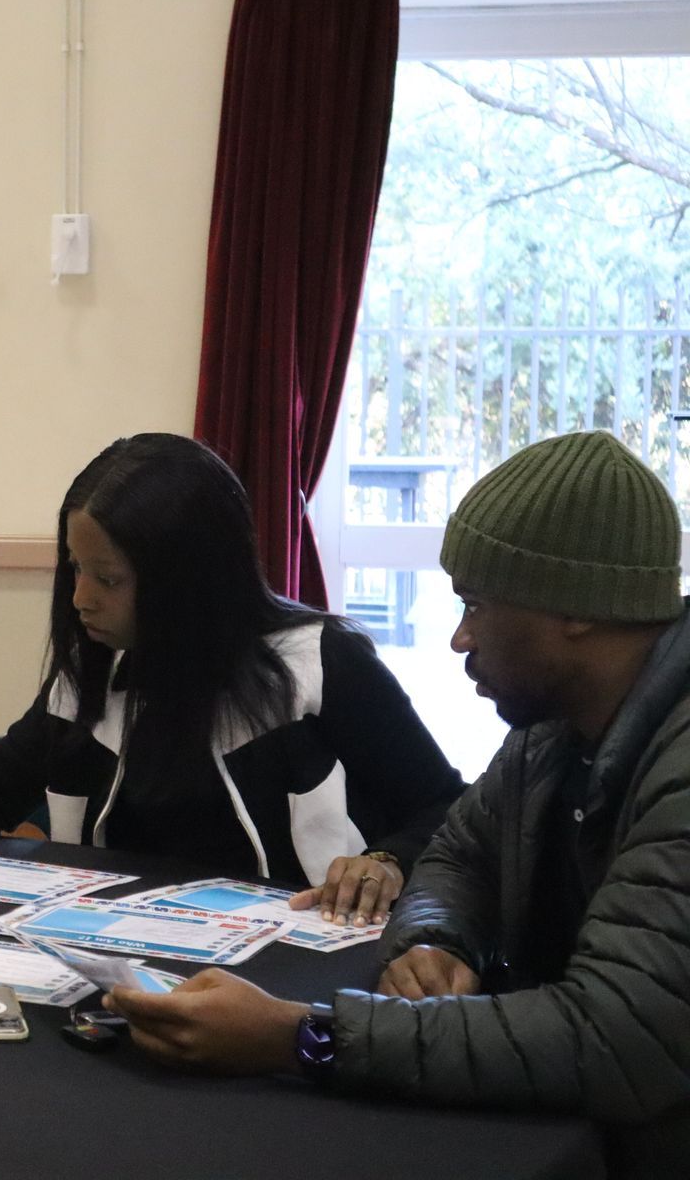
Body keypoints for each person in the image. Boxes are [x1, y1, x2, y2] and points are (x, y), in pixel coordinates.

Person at [103, 431, 690, 1175]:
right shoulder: (554, 730)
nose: (459, 637)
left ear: (572, 607)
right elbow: (458, 853)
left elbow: (616, 1042)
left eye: (476, 604)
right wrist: (437, 940)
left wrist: (301, 1037)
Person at [0, 433, 465, 922]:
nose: (81, 598)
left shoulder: (319, 664)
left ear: (189, 581)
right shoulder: (100, 665)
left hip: (282, 965)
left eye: (109, 578)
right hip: (119, 951)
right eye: (75, 570)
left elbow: (444, 807)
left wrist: (385, 860)